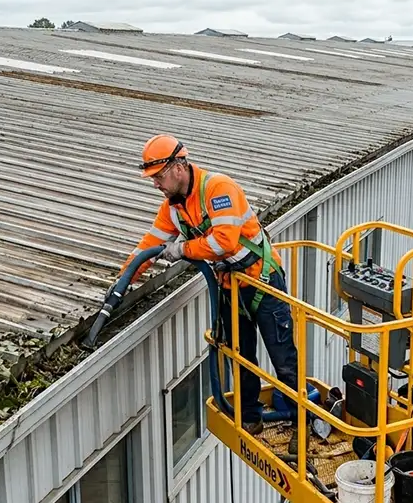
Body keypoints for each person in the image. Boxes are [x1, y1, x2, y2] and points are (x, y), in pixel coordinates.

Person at [115, 134, 307, 453]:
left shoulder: (218, 189)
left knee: (283, 358)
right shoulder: (173, 209)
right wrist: (122, 281)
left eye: (158, 176)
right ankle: (251, 417)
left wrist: (182, 250)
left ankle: (302, 425)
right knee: (239, 354)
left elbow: (224, 242)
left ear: (179, 167)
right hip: (231, 285)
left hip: (262, 282)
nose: (156, 184)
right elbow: (149, 245)